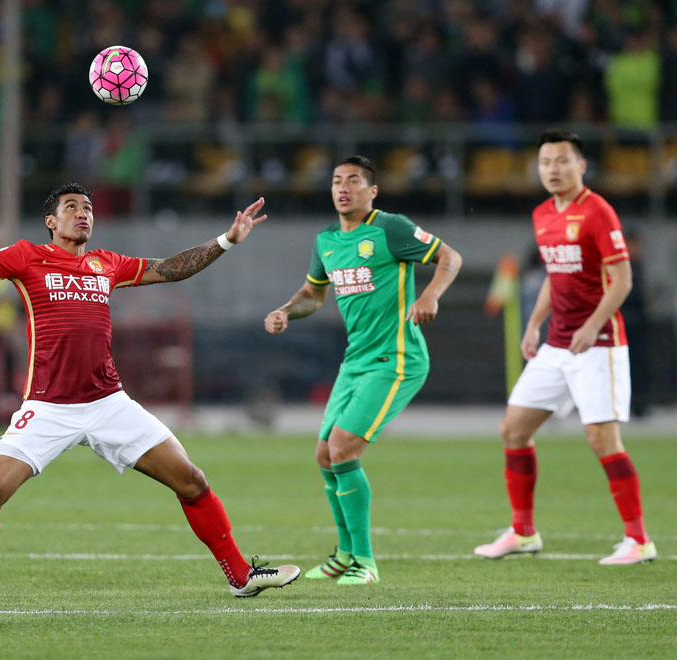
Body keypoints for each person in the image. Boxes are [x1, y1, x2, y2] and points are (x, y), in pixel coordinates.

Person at [0, 183, 300, 600]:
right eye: (72, 207)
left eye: (88, 208)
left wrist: (228, 239)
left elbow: (173, 267)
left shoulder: (107, 263)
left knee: (191, 480)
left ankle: (240, 576)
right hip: (47, 407)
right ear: (50, 221)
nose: (83, 213)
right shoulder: (26, 256)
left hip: (108, 403)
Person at [264, 156, 462, 585]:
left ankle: (366, 563)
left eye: (354, 181)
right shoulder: (327, 241)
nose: (343, 188)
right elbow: (313, 294)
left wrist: (430, 296)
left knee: (342, 448)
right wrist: (285, 311)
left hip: (396, 359)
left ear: (372, 191)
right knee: (324, 454)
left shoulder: (390, 228)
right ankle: (344, 554)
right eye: (337, 180)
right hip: (355, 361)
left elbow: (451, 257)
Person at [474, 129, 656, 565]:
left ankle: (638, 541)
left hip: (599, 344)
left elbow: (623, 280)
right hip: (557, 344)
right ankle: (523, 533)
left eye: (561, 160)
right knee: (514, 430)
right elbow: (555, 279)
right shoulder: (542, 214)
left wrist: (593, 326)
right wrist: (534, 325)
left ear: (581, 165)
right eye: (545, 162)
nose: (552, 169)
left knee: (602, 440)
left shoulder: (598, 211)